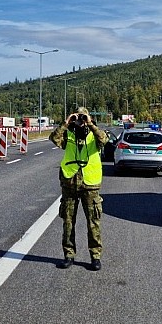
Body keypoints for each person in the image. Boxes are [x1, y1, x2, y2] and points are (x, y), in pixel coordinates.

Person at [49, 107, 108, 271]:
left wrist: (91, 124)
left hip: (90, 184)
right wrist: (66, 123)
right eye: (78, 117)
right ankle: (68, 255)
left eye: (82, 117)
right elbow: (54, 138)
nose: (80, 121)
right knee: (68, 222)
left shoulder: (94, 135)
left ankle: (95, 257)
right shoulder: (68, 134)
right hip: (70, 183)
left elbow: (104, 141)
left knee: (93, 223)